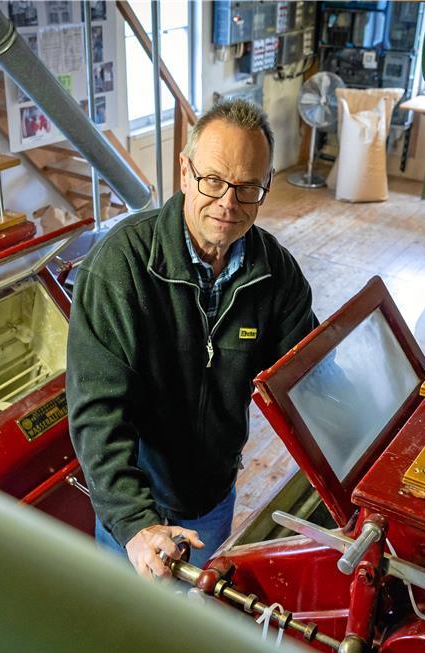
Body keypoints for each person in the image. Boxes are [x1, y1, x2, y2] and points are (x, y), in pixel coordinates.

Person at [67, 99, 317, 579]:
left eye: (247, 188)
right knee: (124, 625)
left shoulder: (275, 272)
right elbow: (97, 413)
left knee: (192, 617)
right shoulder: (120, 268)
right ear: (184, 172)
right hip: (136, 504)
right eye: (214, 181)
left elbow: (306, 374)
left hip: (212, 498)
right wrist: (136, 523)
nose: (228, 203)